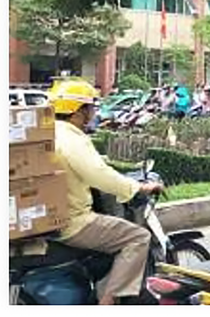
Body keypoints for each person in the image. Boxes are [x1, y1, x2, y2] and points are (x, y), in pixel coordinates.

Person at [50, 79, 163, 305]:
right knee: (138, 237)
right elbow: (98, 175)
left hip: (50, 221)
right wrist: (137, 187)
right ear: (78, 111)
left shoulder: (49, 133)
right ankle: (108, 301)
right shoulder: (73, 139)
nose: (93, 113)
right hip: (74, 222)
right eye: (90, 108)